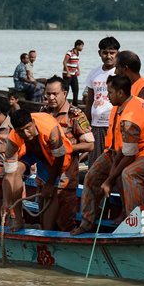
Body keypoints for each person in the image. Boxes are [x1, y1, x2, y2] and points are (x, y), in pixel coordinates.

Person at [71, 75, 144, 235]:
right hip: (129, 150)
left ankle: (135, 224)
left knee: (130, 175)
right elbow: (125, 150)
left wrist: (109, 180)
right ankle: (87, 222)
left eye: (110, 92)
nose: (106, 96)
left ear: (121, 93)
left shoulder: (130, 118)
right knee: (91, 177)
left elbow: (129, 155)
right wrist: (110, 173)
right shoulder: (124, 103)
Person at [3, 109, 73, 232]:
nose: (26, 133)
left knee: (50, 193)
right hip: (29, 152)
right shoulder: (13, 139)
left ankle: (47, 231)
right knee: (15, 171)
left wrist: (50, 184)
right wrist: (6, 202)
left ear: (33, 122)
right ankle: (19, 220)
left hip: (53, 158)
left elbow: (60, 157)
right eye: (20, 131)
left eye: (28, 128)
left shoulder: (51, 130)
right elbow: (9, 174)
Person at [43, 76, 94, 231]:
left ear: (64, 93)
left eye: (55, 94)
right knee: (44, 222)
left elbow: (90, 144)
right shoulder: (43, 112)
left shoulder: (75, 115)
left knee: (65, 223)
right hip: (44, 178)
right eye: (48, 94)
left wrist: (68, 148)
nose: (51, 98)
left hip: (65, 180)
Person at [85, 36, 120, 166]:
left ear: (118, 53)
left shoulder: (120, 73)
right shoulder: (94, 73)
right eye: (105, 52)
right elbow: (89, 100)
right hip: (96, 125)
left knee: (113, 160)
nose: (108, 56)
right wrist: (86, 125)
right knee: (95, 162)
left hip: (113, 124)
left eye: (112, 53)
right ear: (99, 53)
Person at [62, 40, 84, 106]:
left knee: (76, 89)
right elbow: (64, 62)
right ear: (77, 46)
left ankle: (75, 105)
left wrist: (78, 70)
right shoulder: (69, 53)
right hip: (67, 75)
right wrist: (68, 72)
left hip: (74, 74)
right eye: (81, 46)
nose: (82, 48)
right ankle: (62, 104)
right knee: (66, 90)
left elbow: (76, 63)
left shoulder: (77, 54)